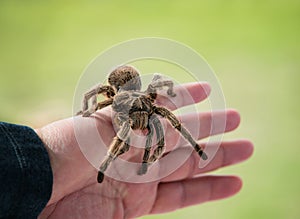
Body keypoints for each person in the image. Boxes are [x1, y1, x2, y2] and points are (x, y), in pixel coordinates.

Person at [0, 82, 253, 219]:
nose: (143, 122)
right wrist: (87, 113)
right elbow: (94, 93)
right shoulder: (112, 97)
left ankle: (192, 146)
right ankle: (105, 166)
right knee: (122, 134)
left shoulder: (150, 102)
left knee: (163, 130)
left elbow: (161, 91)